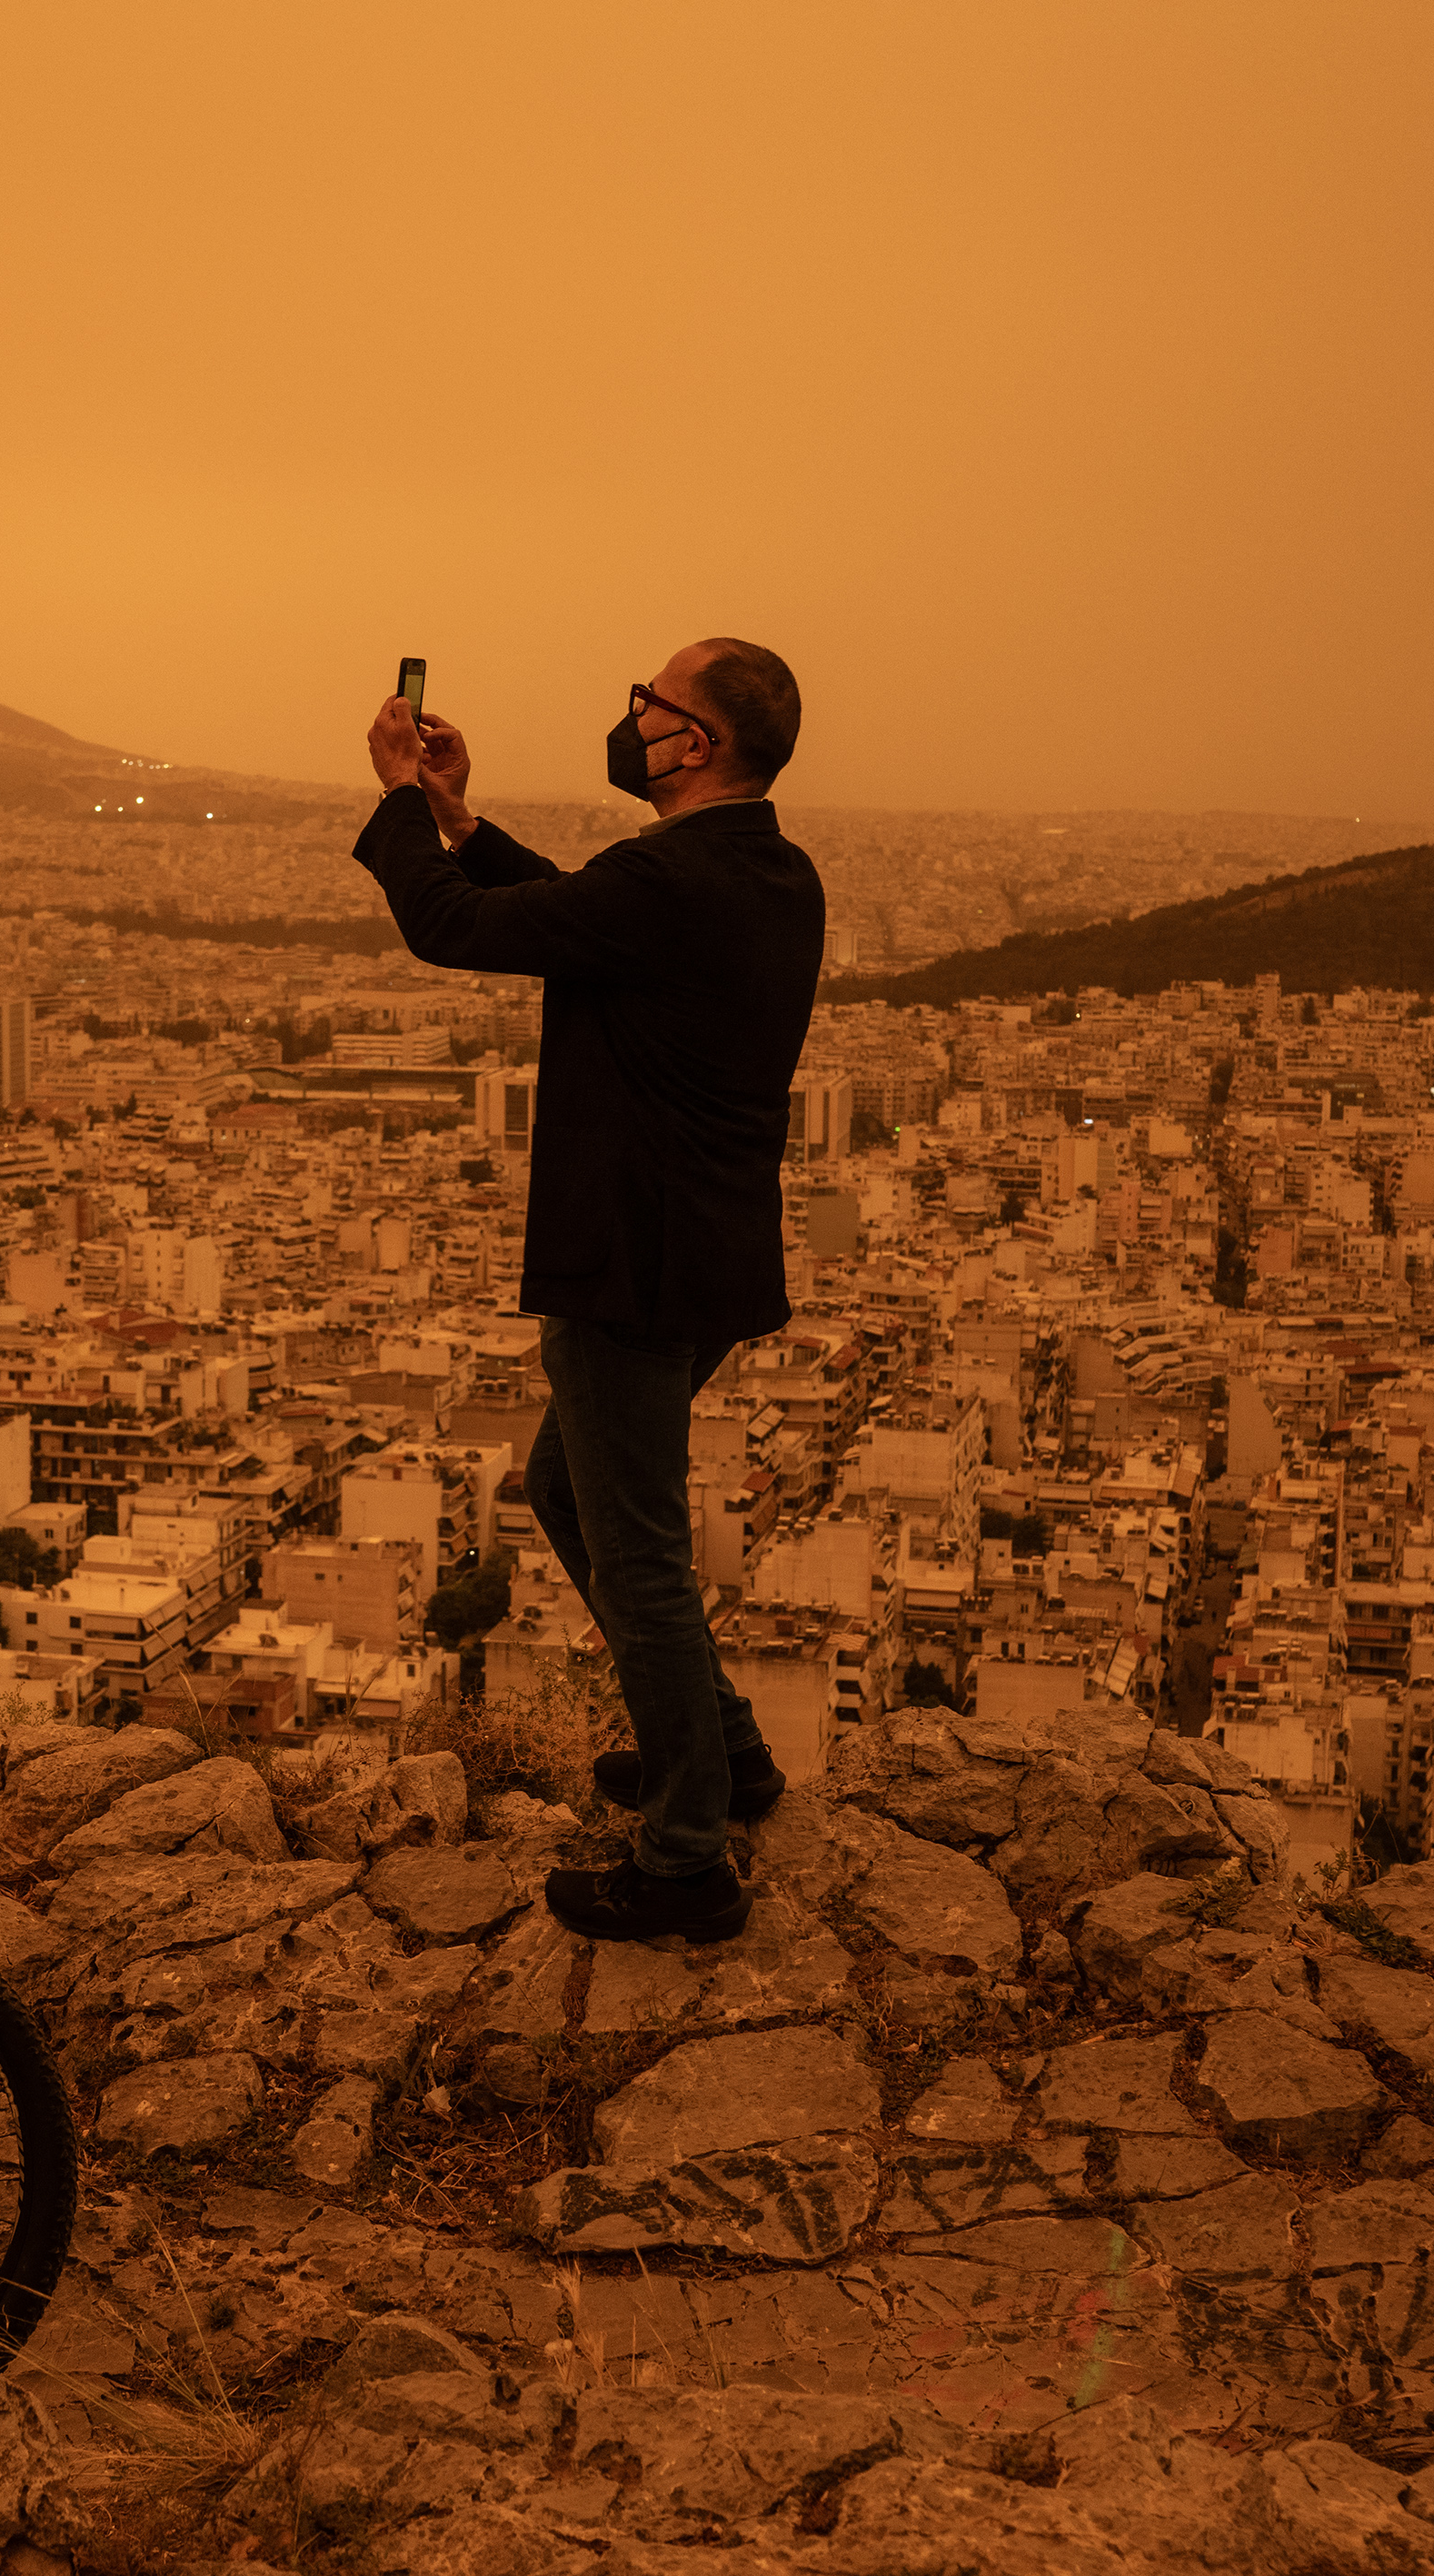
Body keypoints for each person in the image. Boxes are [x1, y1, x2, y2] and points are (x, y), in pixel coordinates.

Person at [355, 640, 822, 1944]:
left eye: (652, 702)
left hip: (632, 1261)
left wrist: (398, 801)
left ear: (697, 742)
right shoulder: (768, 869)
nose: (632, 717)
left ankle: (685, 1857)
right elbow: (579, 916)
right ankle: (724, 1751)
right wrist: (460, 819)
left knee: (639, 1554)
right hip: (711, 1255)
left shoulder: (668, 877)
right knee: (566, 1488)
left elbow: (453, 929)